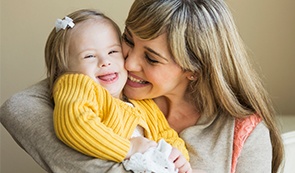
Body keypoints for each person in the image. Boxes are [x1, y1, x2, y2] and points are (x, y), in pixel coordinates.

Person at [0, 0, 284, 173]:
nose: (129, 62)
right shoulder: (107, 83)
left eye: (151, 58)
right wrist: (132, 154)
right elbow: (16, 108)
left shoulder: (244, 134)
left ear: (194, 70)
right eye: (128, 39)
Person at [47, 9, 190, 173]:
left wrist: (179, 156)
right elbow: (75, 124)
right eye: (89, 56)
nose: (105, 62)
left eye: (113, 52)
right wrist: (128, 148)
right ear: (65, 69)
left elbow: (165, 133)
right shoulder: (77, 84)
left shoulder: (142, 103)